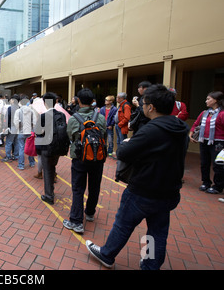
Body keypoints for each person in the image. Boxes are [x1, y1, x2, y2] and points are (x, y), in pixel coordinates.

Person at [86, 84, 190, 270]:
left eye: (144, 103)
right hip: (169, 191)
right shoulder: (181, 127)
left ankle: (107, 254)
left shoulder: (152, 129)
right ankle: (150, 264)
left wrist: (127, 143)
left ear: (151, 107)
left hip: (144, 189)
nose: (142, 106)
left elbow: (125, 153)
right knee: (157, 231)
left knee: (123, 224)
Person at [63, 88, 106, 234]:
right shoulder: (100, 117)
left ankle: (76, 221)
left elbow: (70, 135)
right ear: (93, 101)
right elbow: (104, 134)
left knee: (78, 188)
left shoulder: (74, 118)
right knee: (95, 186)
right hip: (97, 157)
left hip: (79, 157)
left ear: (78, 101)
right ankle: (90, 213)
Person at [34, 92, 67, 205]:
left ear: (44, 103)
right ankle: (51, 191)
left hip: (46, 147)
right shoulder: (61, 115)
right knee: (52, 168)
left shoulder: (43, 116)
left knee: (47, 171)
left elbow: (38, 132)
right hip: (58, 147)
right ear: (55, 102)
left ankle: (49, 196)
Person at [190, 91, 224, 194]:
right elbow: (196, 124)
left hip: (218, 142)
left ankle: (218, 186)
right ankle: (205, 182)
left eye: (208, 99)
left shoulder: (222, 114)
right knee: (204, 163)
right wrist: (190, 135)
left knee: (217, 164)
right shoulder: (205, 113)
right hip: (203, 140)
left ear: (216, 100)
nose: (206, 101)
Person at [14, 95, 37, 170]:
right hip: (30, 132)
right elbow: (34, 122)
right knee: (30, 147)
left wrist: (18, 128)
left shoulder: (18, 111)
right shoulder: (31, 111)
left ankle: (21, 165)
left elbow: (16, 122)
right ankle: (32, 162)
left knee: (21, 148)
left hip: (21, 132)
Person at [2, 94, 20, 162]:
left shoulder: (10, 108)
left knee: (9, 142)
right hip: (18, 127)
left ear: (13, 100)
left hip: (11, 127)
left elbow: (6, 119)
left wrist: (4, 128)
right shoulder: (19, 108)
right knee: (16, 142)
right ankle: (16, 156)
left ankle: (8, 156)